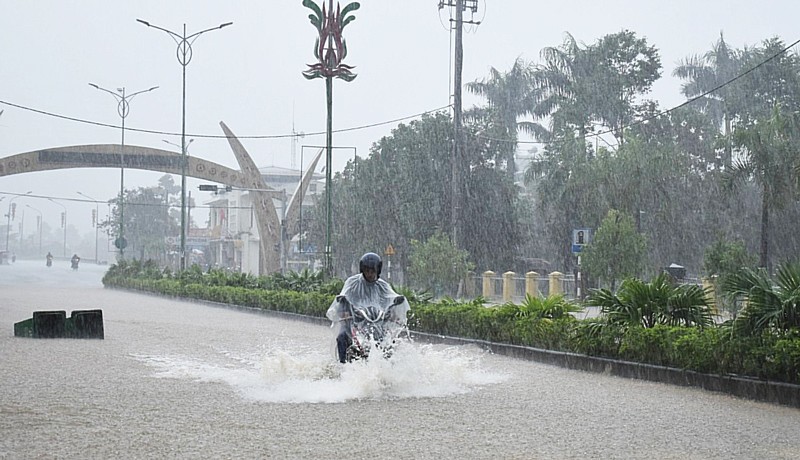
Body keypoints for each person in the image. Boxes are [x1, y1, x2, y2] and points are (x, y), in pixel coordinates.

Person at [326, 252, 409, 363]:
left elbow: (391, 298)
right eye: (367, 271)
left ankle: (390, 366)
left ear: (378, 271)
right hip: (354, 321)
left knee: (389, 340)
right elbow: (343, 297)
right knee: (342, 337)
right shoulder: (352, 283)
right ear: (362, 270)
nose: (370, 274)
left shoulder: (383, 286)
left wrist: (394, 308)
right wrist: (344, 310)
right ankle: (342, 366)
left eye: (372, 271)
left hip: (376, 322)